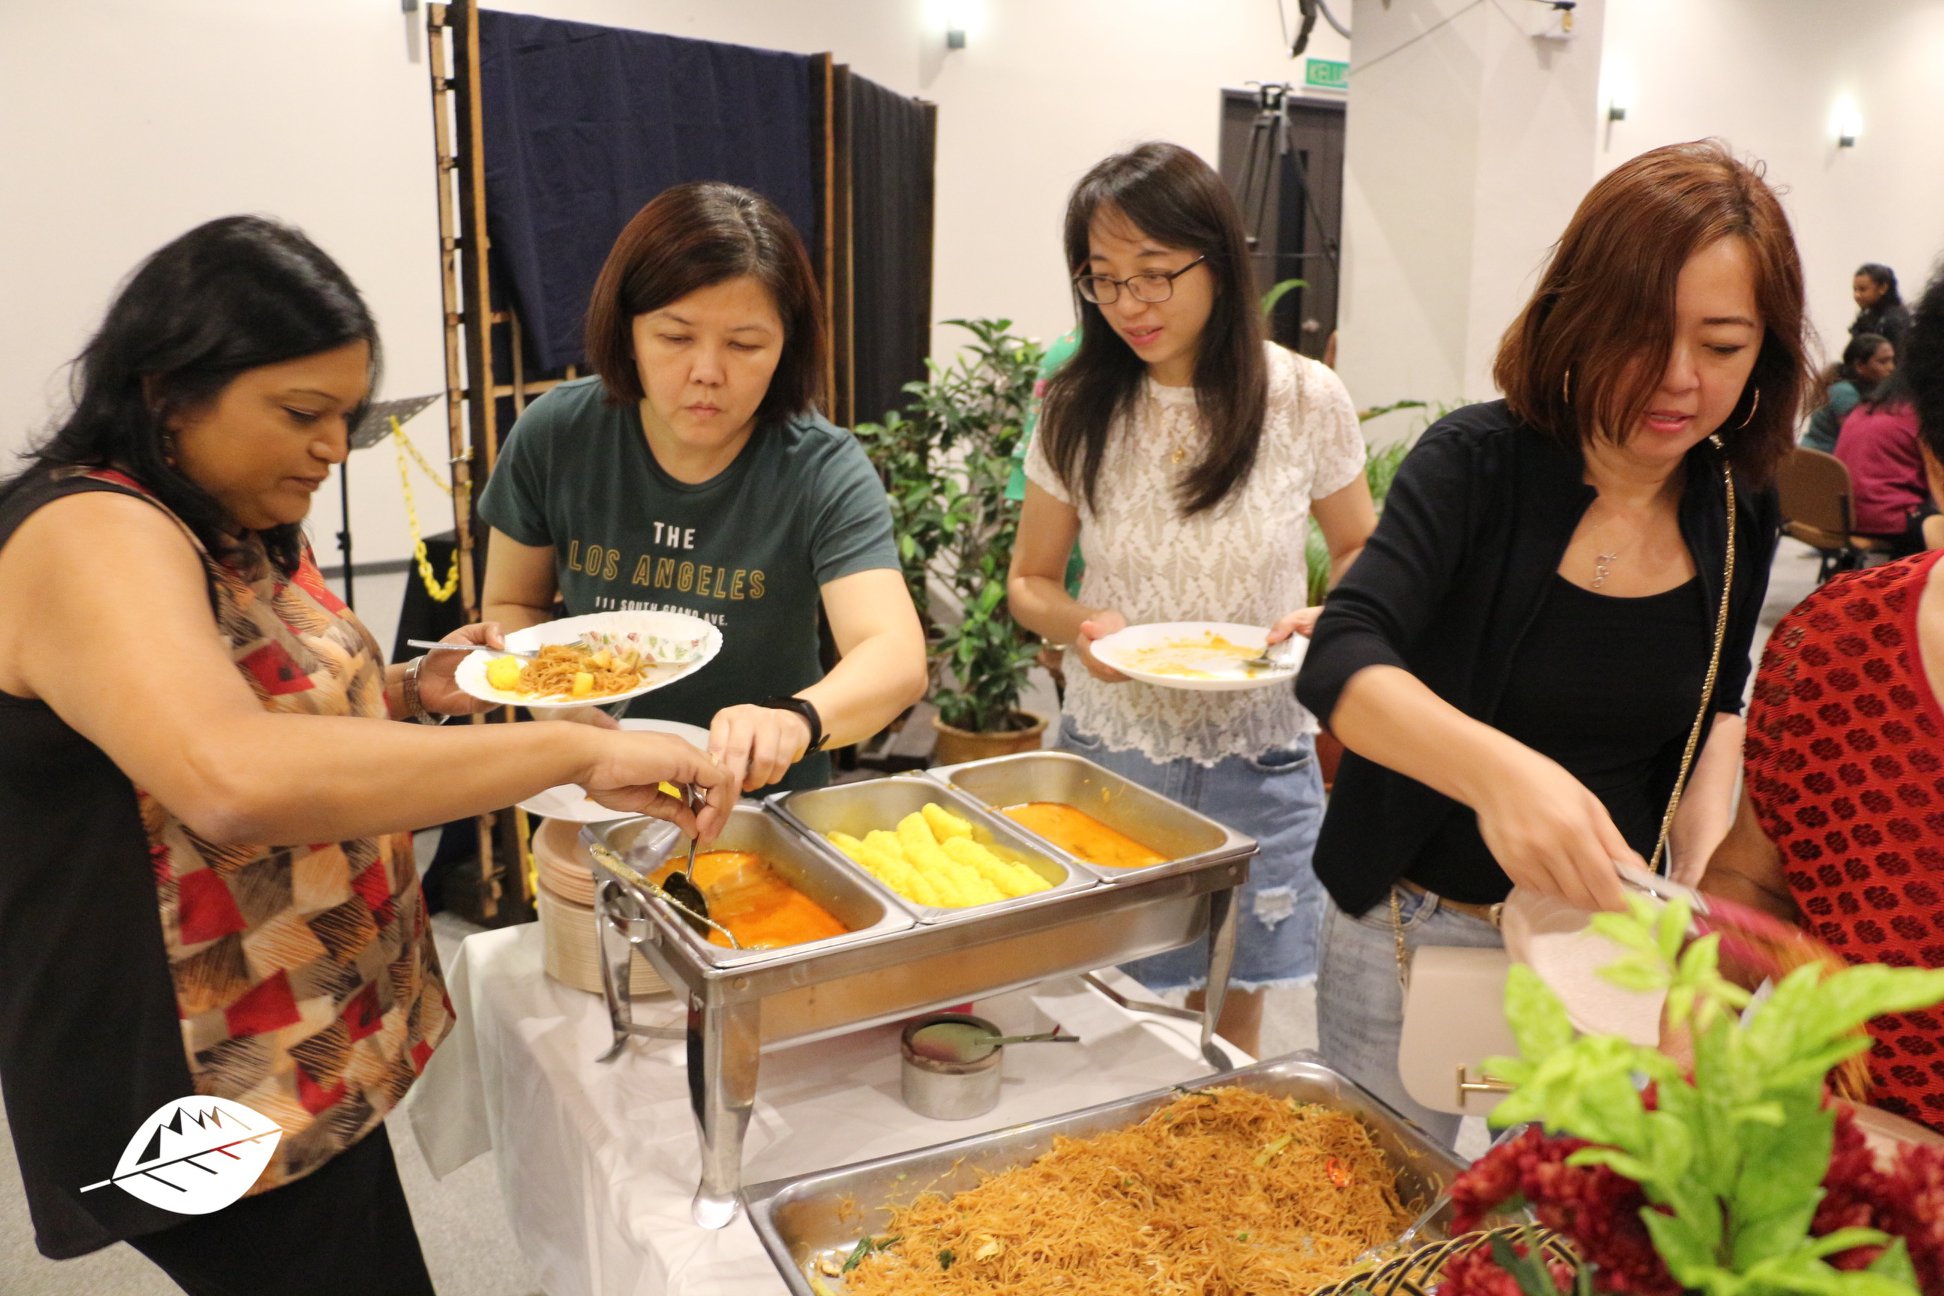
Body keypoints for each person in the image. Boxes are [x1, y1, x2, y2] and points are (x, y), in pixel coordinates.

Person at [0, 217, 733, 1292]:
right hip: (205, 1063)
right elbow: (230, 775)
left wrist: (411, 693)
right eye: (302, 414)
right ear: (169, 391)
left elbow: (245, 709)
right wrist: (561, 753)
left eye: (346, 416)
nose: (335, 449)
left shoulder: (217, 520)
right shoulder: (90, 534)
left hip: (299, 1035)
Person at [1296, 140, 1806, 1145]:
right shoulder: (1476, 465)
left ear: (1765, 356)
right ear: (1577, 315)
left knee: (1560, 1216)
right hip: (1412, 924)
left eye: (1721, 346)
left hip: (1600, 942)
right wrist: (1499, 777)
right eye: (1642, 333)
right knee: (1379, 1204)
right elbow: (1344, 656)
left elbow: (1719, 706)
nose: (1677, 379)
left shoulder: (1738, 505)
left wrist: (1702, 875)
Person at [1008, 142, 1377, 1058]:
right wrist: (1082, 626)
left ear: (1217, 261)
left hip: (1259, 747)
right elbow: (1029, 582)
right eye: (1104, 280)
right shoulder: (1077, 407)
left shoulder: (1303, 398)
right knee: (1102, 1002)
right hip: (1114, 748)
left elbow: (1360, 548)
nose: (1130, 303)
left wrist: (1334, 613)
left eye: (1154, 273)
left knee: (1230, 1004)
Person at [478, 182, 927, 795]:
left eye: (744, 344)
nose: (707, 373)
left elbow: (894, 653)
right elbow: (513, 603)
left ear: (786, 347)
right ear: (628, 332)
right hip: (595, 789)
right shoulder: (557, 434)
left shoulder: (821, 467)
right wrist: (557, 709)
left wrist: (796, 720)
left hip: (762, 802)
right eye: (675, 337)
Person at [1707, 260, 1944, 1134]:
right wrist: (1699, 1015)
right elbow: (1755, 880)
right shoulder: (1835, 645)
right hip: (1843, 1165)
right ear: (1936, 465)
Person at [1833, 368, 1944, 557]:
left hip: (1843, 514)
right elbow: (1939, 480)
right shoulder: (1919, 415)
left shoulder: (1865, 408)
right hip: (1887, 517)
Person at [1800, 331, 1893, 453]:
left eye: (1892, 361)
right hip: (1820, 458)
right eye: (1883, 362)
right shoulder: (1843, 392)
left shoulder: (1868, 390)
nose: (1891, 368)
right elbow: (1858, 435)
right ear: (1859, 366)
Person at [1852, 262, 1912, 351]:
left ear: (1883, 288)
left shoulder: (1894, 320)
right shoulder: (1867, 317)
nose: (1857, 295)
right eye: (1855, 290)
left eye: (1863, 289)